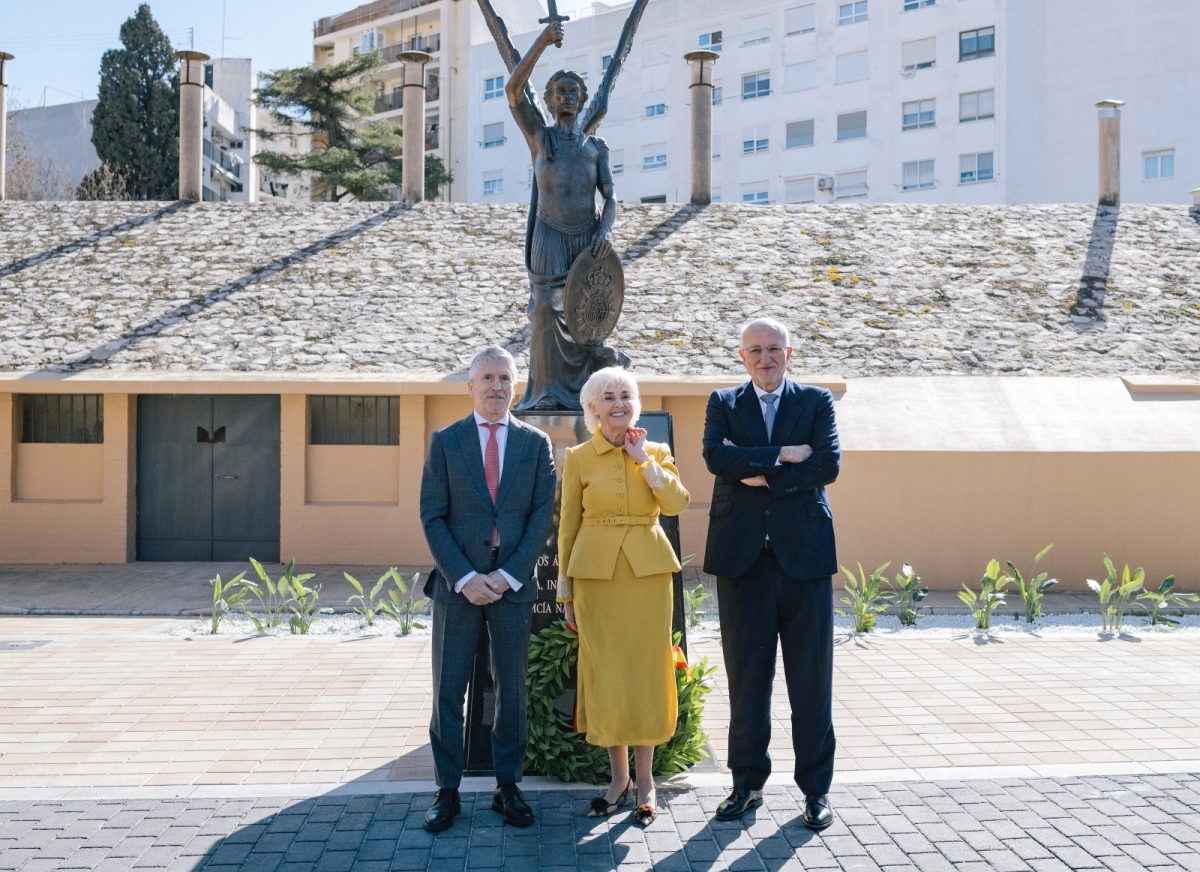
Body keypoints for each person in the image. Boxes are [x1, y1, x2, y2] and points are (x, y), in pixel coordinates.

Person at [701, 318, 842, 830]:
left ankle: (816, 792)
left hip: (803, 561)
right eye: (755, 350)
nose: (765, 358)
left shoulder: (816, 402)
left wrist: (758, 474)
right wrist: (783, 455)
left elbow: (826, 465)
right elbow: (716, 457)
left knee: (811, 683)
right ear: (742, 356)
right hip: (742, 562)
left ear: (790, 352)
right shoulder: (723, 402)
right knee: (747, 682)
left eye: (774, 349)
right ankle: (747, 785)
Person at [419, 345, 556, 833]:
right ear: (471, 387)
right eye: (488, 378)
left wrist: (508, 574)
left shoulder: (535, 445)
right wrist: (465, 576)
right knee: (448, 691)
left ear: (515, 386)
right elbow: (432, 516)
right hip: (458, 587)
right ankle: (447, 791)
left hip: (512, 586)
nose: (497, 387)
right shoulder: (446, 442)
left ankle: (507, 787)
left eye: (505, 378)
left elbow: (542, 515)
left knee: (512, 690)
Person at [557, 367, 690, 826]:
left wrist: (642, 460)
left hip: (648, 577)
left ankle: (647, 780)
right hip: (595, 580)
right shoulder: (578, 457)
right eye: (608, 397)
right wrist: (566, 591)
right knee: (609, 673)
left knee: (645, 672)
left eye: (626, 395)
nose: (618, 404)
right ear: (593, 408)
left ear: (637, 403)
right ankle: (619, 780)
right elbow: (568, 527)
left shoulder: (656, 451)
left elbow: (676, 503)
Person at [503, 20, 628, 410]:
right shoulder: (540, 137)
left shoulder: (596, 147)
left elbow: (610, 195)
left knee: (586, 315)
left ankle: (586, 394)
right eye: (561, 91)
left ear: (581, 97)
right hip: (550, 235)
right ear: (552, 99)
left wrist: (605, 229)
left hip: (588, 237)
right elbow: (513, 89)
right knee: (544, 308)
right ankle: (544, 393)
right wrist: (543, 40)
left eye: (574, 91)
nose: (568, 97)